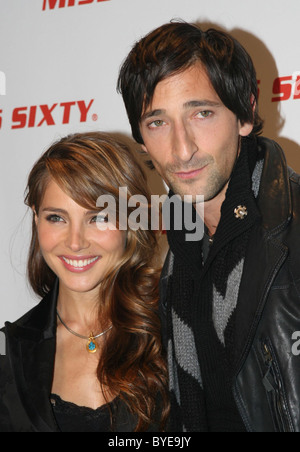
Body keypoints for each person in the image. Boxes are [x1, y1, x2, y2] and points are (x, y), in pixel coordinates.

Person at [117, 21, 300, 432]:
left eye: (202, 113)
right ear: (142, 140)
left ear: (245, 114)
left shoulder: (291, 233)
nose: (182, 149)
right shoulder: (171, 258)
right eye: (157, 123)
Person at [0, 132, 169, 432]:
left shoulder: (175, 330)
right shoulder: (9, 354)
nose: (75, 242)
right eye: (57, 218)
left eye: (99, 217)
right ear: (36, 219)